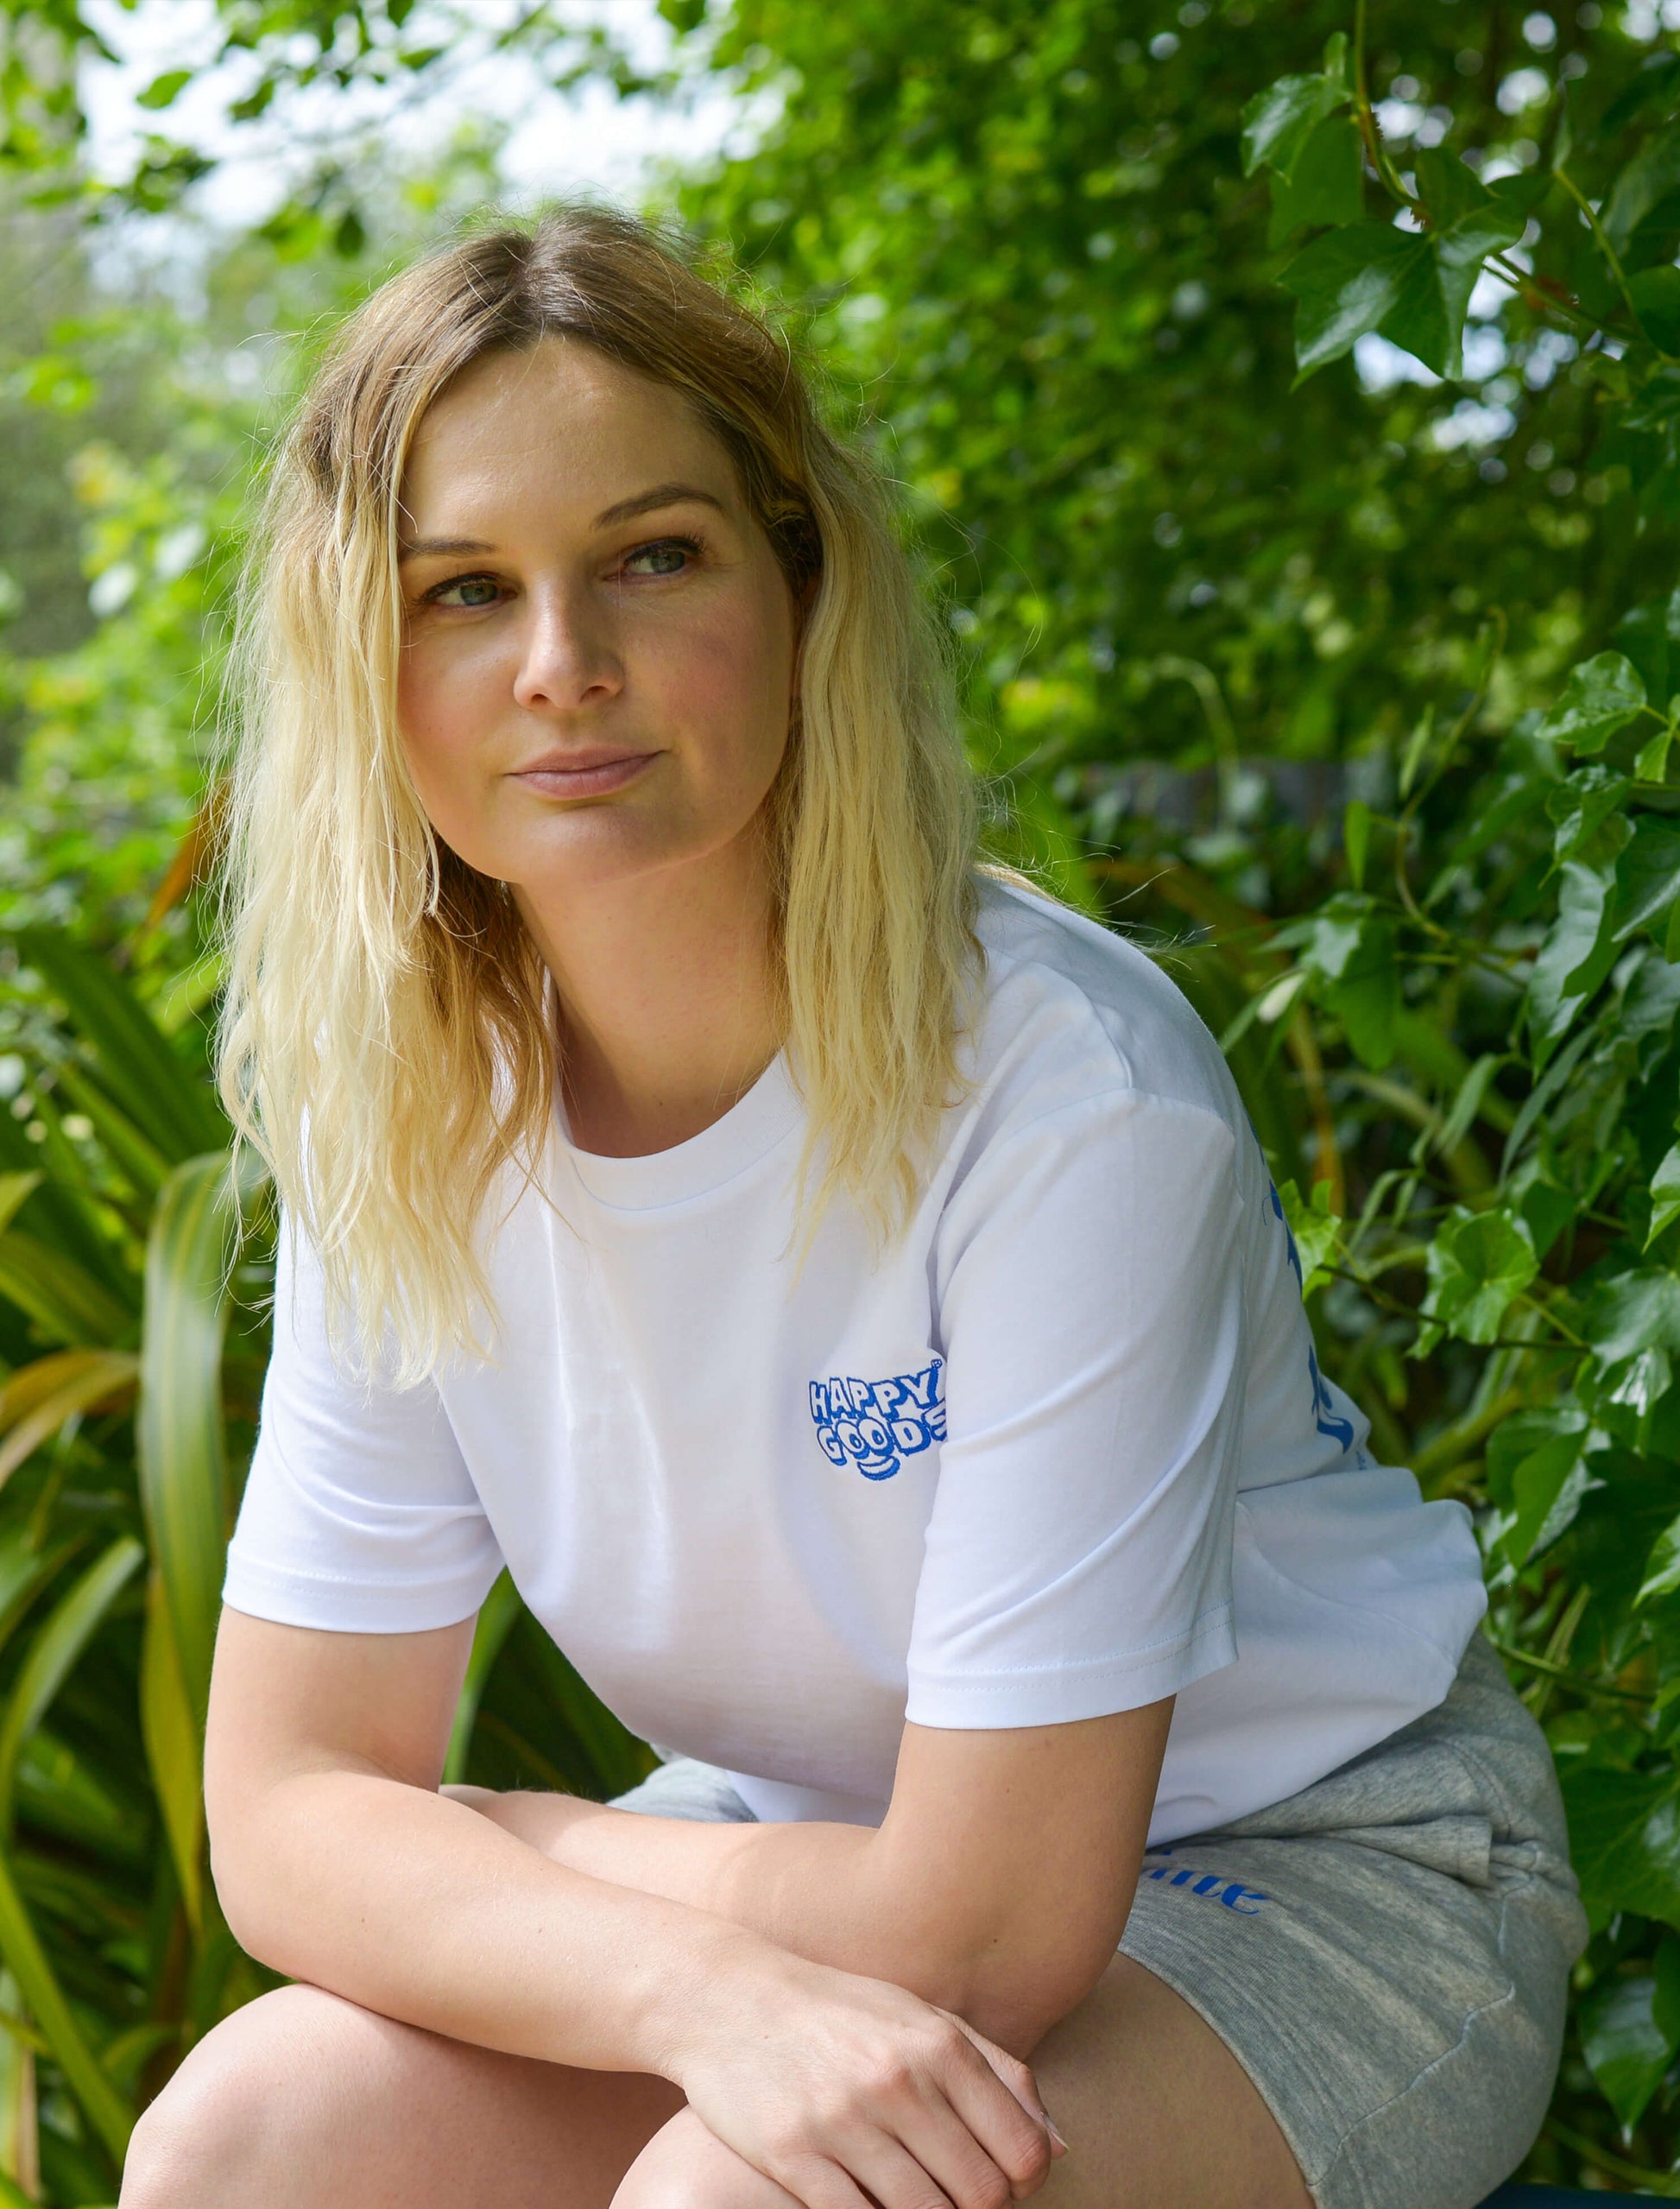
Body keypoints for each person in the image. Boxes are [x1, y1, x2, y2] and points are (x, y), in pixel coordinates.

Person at [117, 206, 1587, 2209]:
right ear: (362, 656)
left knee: (744, 2205)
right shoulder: (409, 1113)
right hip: (814, 1847)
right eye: (463, 588)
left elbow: (983, 1929)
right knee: (244, 2140)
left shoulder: (1061, 1094)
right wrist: (690, 1979)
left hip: (1313, 1865)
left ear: (799, 582)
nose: (564, 667)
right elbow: (287, 1814)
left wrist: (525, 1842)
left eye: (652, 555)